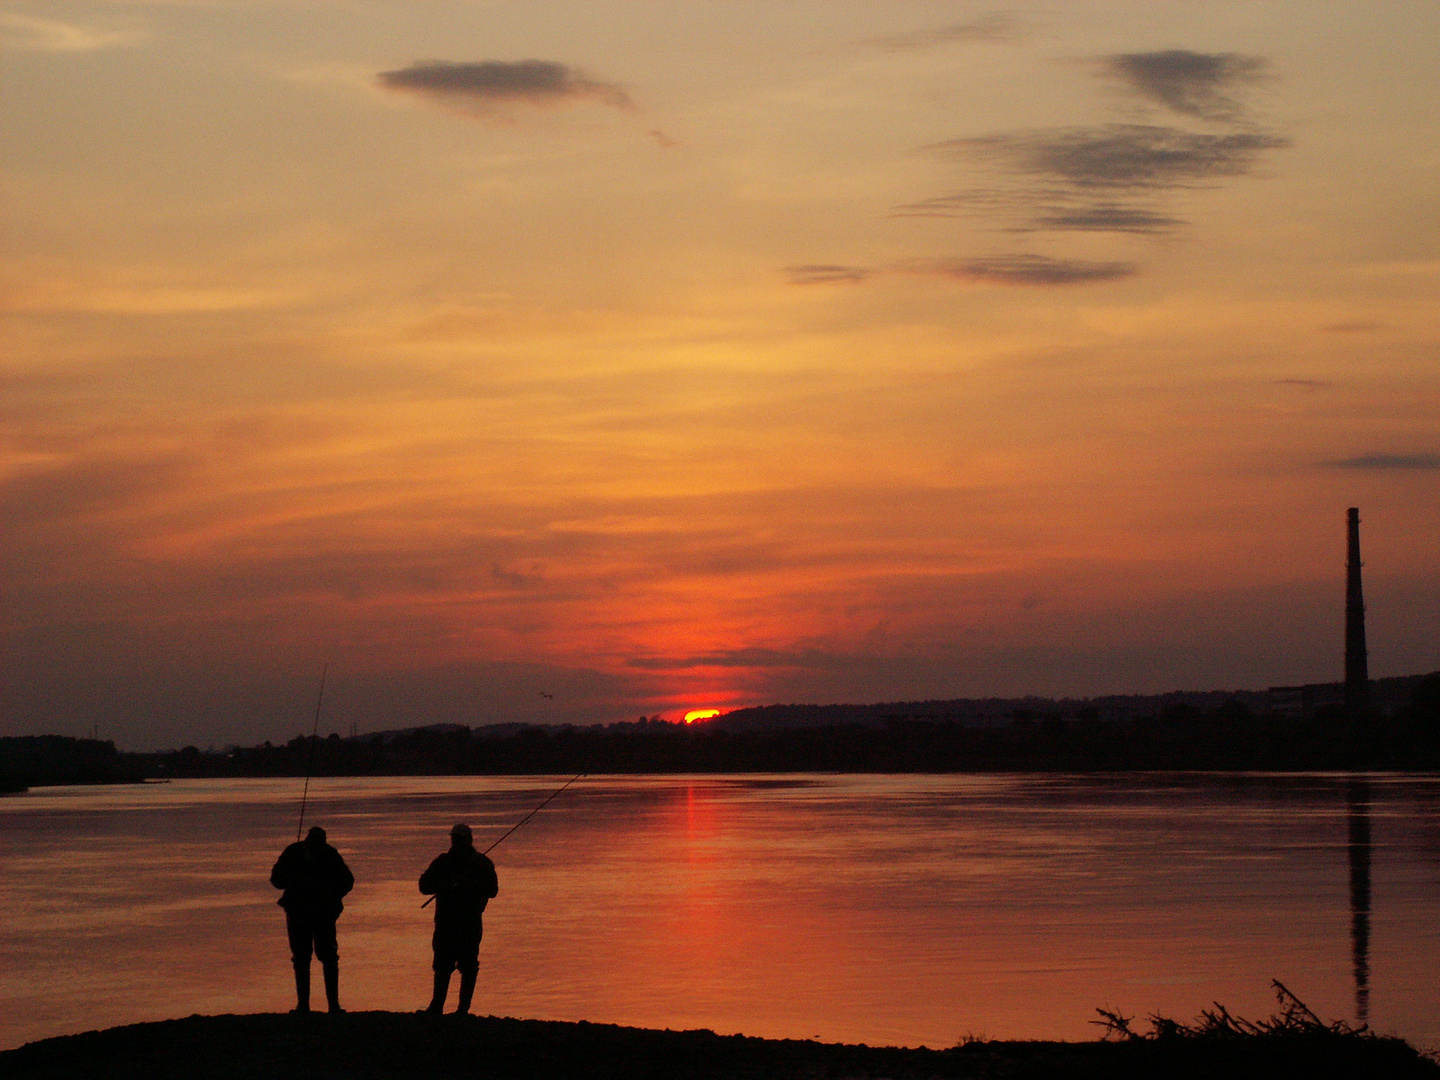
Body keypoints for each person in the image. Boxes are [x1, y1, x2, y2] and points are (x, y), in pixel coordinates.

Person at [270, 825, 354, 1014]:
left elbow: (348, 881)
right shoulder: (294, 853)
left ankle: (332, 1005)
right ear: (308, 841)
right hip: (299, 912)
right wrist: (292, 878)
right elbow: (276, 880)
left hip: (323, 913)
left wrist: (333, 896)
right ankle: (305, 1006)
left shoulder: (329, 855)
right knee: (302, 957)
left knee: (327, 956)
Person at [419, 822, 499, 1015]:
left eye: (459, 839)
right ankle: (436, 1006)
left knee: (468, 965)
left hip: (469, 923)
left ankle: (463, 1009)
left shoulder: (481, 863)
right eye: (454, 839)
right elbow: (424, 885)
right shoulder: (443, 862)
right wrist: (444, 884)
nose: (456, 843)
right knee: (442, 965)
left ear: (469, 840)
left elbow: (493, 890)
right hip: (446, 923)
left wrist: (468, 885)